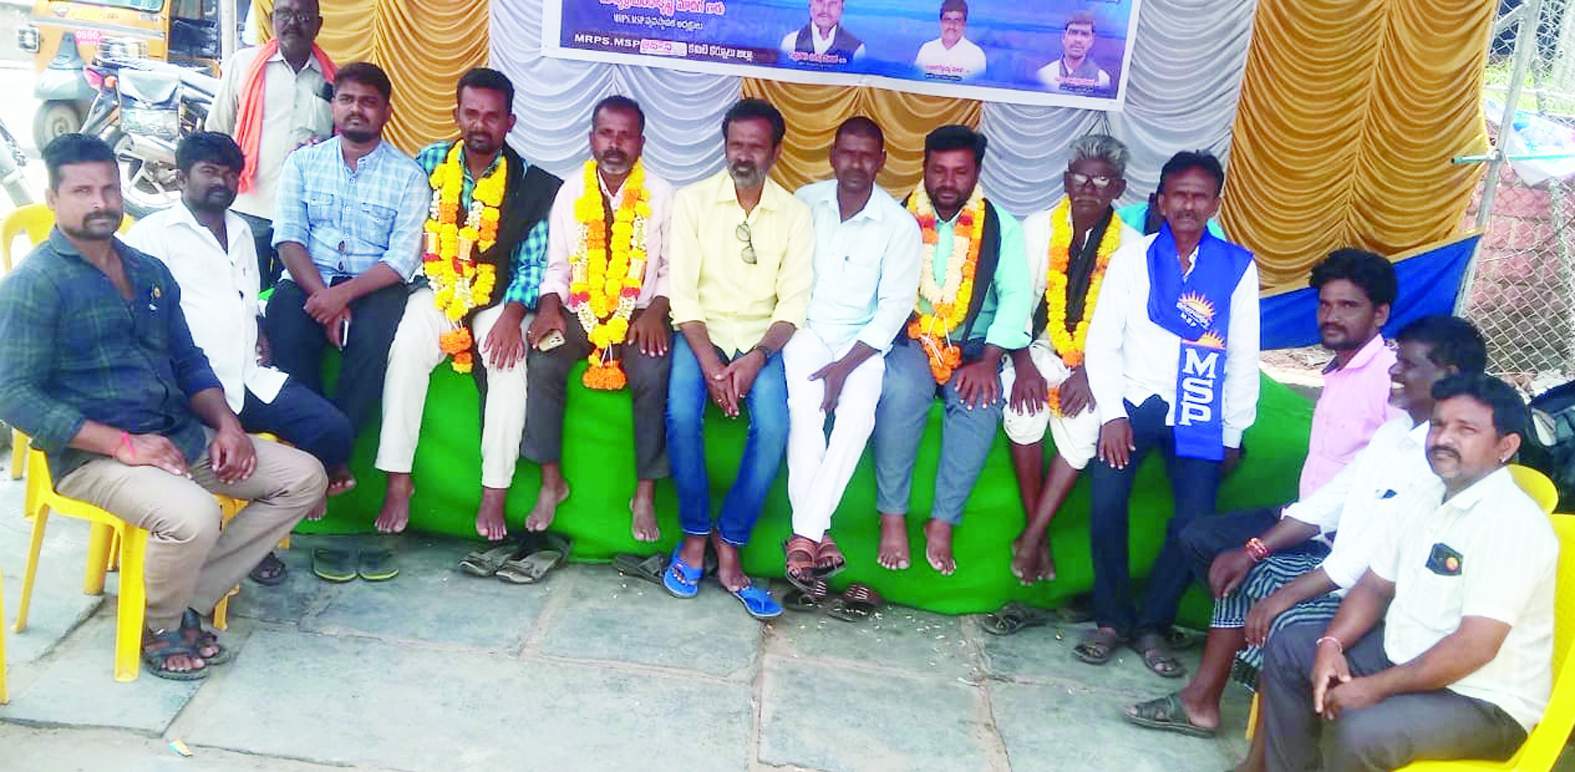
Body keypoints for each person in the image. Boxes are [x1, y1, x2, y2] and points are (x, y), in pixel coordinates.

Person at [0, 134, 327, 680]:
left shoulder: (148, 271)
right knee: (193, 515)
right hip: (94, 456)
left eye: (109, 188)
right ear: (53, 198)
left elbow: (188, 360)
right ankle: (158, 626)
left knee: (304, 477)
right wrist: (122, 444)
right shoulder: (35, 284)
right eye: (82, 191)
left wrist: (227, 425)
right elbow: (13, 394)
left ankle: (189, 599)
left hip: (178, 435)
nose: (101, 202)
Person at [1123, 315, 1486, 756]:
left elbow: (1373, 557)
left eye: (1408, 364)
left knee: (1284, 617)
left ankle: (1257, 746)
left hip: (1378, 597)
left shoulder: (1443, 459)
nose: (1393, 370)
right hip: (1345, 572)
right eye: (1396, 359)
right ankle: (1204, 704)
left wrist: (1287, 593)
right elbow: (1330, 500)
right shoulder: (1395, 433)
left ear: (1449, 375)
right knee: (1242, 571)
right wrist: (1254, 550)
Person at [1260, 372, 1554, 772]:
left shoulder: (1511, 524)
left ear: (1506, 446)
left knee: (1361, 731)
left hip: (1481, 698)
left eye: (1465, 429)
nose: (1443, 438)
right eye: (1438, 424)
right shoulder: (1425, 494)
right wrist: (1331, 644)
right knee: (1292, 648)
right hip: (1403, 655)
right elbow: (1375, 587)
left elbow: (1474, 646)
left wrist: (1374, 688)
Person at [125, 132, 354, 587]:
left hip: (247, 375)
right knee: (231, 460)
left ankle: (292, 501)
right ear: (181, 176)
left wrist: (261, 329)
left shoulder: (244, 230)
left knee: (333, 430)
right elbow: (143, 325)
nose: (222, 182)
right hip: (190, 388)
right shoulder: (152, 236)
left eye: (231, 174)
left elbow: (247, 298)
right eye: (210, 171)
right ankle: (253, 547)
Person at [1076, 150, 1259, 678]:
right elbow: (1102, 343)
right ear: (1160, 201)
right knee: (1106, 503)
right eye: (1179, 194)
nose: (1188, 205)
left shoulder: (1236, 267)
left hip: (1198, 407)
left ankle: (1153, 623)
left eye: (1200, 196)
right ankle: (1112, 619)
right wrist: (1112, 415)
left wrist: (1233, 432)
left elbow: (1244, 354)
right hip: (1134, 403)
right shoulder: (1132, 260)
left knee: (1194, 522)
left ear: (1215, 204)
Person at [372, 67, 561, 542]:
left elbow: (532, 265)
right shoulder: (429, 162)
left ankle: (494, 491)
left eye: (492, 116)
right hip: (437, 288)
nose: (480, 125)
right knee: (406, 348)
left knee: (508, 364)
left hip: (499, 298)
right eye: (471, 113)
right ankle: (398, 480)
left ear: (510, 122)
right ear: (456, 114)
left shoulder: (530, 183)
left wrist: (513, 317)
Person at [664, 98, 812, 619]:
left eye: (755, 146)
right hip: (700, 333)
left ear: (776, 151)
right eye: (735, 145)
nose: (743, 156)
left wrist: (755, 359)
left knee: (774, 426)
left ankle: (730, 542)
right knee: (680, 414)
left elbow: (793, 304)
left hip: (760, 340)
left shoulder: (794, 215)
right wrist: (710, 365)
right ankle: (694, 537)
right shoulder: (693, 202)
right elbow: (682, 295)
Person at [873, 125, 1031, 576]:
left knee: (980, 403)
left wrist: (989, 360)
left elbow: (1016, 296)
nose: (947, 181)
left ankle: (942, 522)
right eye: (938, 170)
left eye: (959, 172)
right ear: (923, 168)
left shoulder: (1001, 226)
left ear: (976, 173)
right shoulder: (899, 217)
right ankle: (892, 516)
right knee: (900, 391)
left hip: (975, 346)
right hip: (913, 338)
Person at [264, 62, 428, 489]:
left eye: (369, 102)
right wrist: (325, 296)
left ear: (387, 111)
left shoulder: (409, 176)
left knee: (373, 341)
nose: (357, 109)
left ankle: (327, 456)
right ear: (333, 105)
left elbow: (401, 259)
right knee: (287, 322)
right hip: (308, 278)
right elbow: (289, 239)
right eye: (347, 99)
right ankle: (320, 455)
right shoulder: (302, 164)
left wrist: (343, 296)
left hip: (373, 284)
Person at [522, 95, 669, 542]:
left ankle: (644, 494)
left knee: (654, 371)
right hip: (579, 309)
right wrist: (550, 307)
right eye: (606, 133)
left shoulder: (662, 195)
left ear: (641, 142)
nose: (615, 144)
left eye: (625, 135)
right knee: (543, 360)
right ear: (591, 138)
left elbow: (672, 268)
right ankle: (552, 482)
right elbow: (556, 267)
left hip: (639, 312)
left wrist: (657, 311)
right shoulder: (571, 192)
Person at [783, 117, 920, 587]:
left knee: (857, 418)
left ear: (882, 161)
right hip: (806, 332)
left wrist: (843, 367)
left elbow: (895, 307)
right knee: (804, 411)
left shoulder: (899, 225)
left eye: (867, 155)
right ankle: (817, 536)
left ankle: (804, 535)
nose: (856, 164)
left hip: (862, 344)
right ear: (832, 156)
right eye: (848, 153)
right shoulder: (805, 203)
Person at [1000, 134, 1140, 585]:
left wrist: (1091, 375)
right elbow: (1013, 305)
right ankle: (1037, 536)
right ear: (1065, 181)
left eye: (1102, 181)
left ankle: (1031, 536)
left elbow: (1129, 330)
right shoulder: (1037, 229)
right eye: (1080, 178)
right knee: (1024, 410)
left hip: (1094, 363)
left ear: (1119, 189)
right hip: (1034, 349)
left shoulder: (1133, 247)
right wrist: (1023, 366)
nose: (1088, 188)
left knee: (1084, 428)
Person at [205, 0, 335, 288]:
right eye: (284, 14)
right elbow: (217, 134)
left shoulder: (332, 80)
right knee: (243, 293)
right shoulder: (243, 65)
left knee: (291, 299)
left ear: (318, 25)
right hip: (248, 208)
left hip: (304, 218)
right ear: (272, 18)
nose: (292, 23)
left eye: (303, 16)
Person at [1036, 11, 1112, 95]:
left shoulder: (1102, 79)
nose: (1078, 40)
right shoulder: (1044, 75)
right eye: (1073, 33)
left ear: (1091, 41)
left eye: (1084, 34)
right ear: (1064, 37)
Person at [914, 0, 987, 81]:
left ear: (964, 23)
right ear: (941, 22)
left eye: (957, 20)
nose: (951, 25)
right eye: (947, 19)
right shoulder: (926, 49)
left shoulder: (976, 54)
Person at [779, 0, 866, 64]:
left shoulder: (856, 49)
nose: (825, 9)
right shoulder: (791, 42)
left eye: (833, 3)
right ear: (810, 4)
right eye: (819, 1)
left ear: (842, 7)